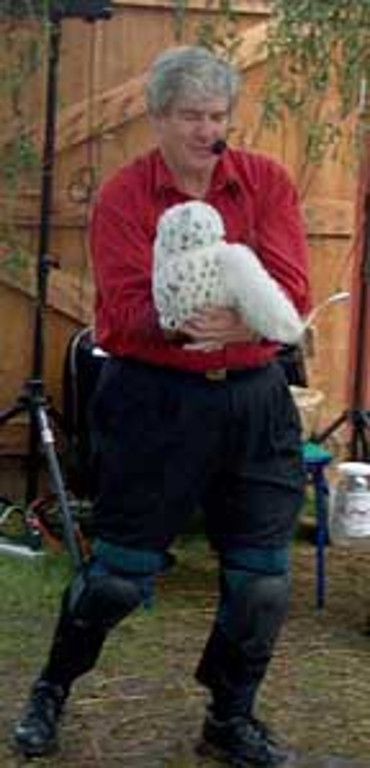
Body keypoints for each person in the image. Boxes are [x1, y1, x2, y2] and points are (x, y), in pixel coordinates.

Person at [13, 45, 311, 767]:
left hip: (255, 401)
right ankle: (52, 688)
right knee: (118, 576)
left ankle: (229, 720)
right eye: (190, 116)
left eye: (217, 116)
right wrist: (180, 321)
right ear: (157, 118)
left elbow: (293, 288)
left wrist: (245, 323)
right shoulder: (125, 194)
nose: (207, 130)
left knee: (262, 579)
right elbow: (120, 307)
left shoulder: (265, 180)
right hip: (155, 400)